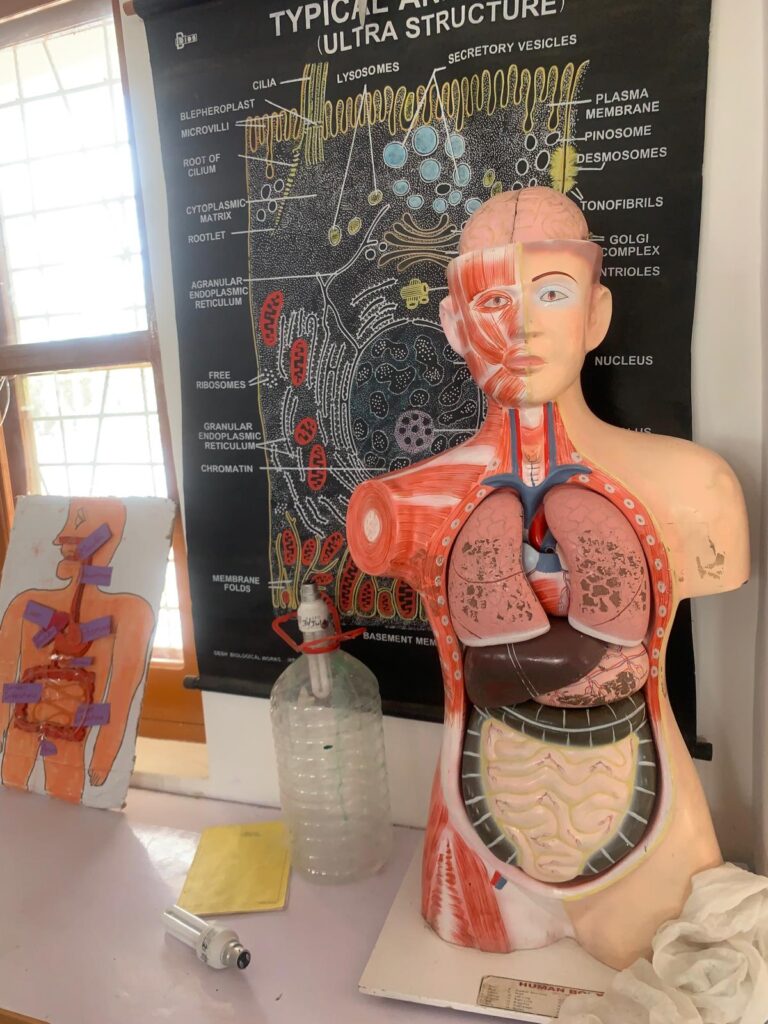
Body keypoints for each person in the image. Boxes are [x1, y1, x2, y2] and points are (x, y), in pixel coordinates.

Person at [347, 186, 748, 969]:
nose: (521, 325)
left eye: (552, 292)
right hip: (476, 857)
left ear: (596, 314)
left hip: (652, 835)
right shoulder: (404, 504)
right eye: (494, 299)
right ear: (456, 326)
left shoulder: (696, 490)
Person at [0, 497, 154, 803]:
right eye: (66, 535)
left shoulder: (131, 612)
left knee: (65, 797)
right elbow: (4, 675)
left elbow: (121, 692)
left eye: (76, 537)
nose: (60, 541)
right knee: (14, 785)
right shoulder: (25, 604)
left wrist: (105, 753)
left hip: (75, 740)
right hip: (21, 736)